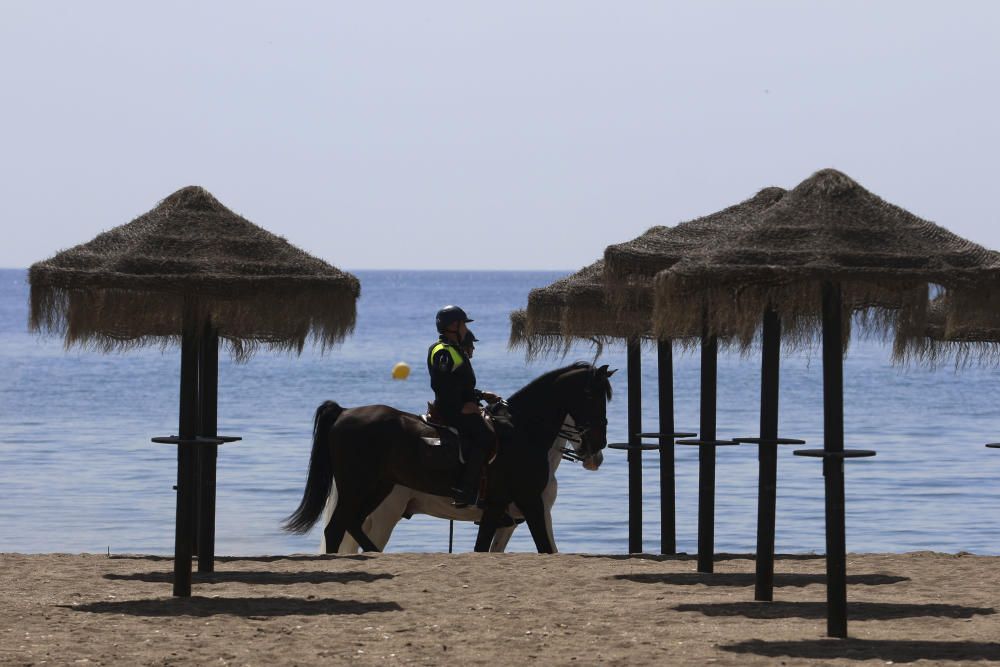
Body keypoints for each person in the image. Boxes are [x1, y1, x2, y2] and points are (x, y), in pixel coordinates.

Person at [427, 305, 500, 507]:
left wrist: (480, 395)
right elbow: (442, 385)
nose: (466, 330)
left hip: (458, 406)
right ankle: (465, 490)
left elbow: (460, 385)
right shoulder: (443, 352)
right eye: (464, 326)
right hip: (450, 410)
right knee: (486, 436)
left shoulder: (454, 350)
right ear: (453, 325)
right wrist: (460, 408)